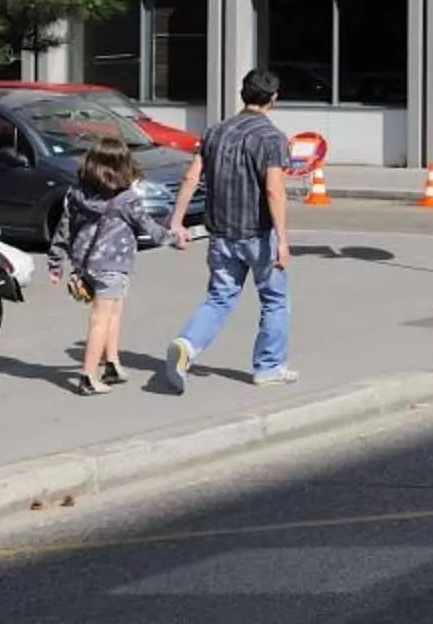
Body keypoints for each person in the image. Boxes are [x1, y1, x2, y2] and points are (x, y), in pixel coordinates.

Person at [163, 67, 297, 390]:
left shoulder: (215, 132)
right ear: (274, 98)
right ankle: (269, 367)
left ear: (243, 94)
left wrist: (177, 221)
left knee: (219, 298)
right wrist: (282, 240)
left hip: (221, 234)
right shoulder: (272, 138)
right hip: (258, 234)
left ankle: (187, 345)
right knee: (275, 300)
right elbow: (274, 191)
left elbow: (191, 177)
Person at [48, 131, 164, 395]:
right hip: (113, 264)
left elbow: (63, 228)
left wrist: (56, 261)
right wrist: (176, 237)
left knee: (112, 312)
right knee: (102, 318)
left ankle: (112, 363)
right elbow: (149, 226)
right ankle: (88, 376)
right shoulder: (127, 200)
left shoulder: (76, 194)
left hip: (86, 262)